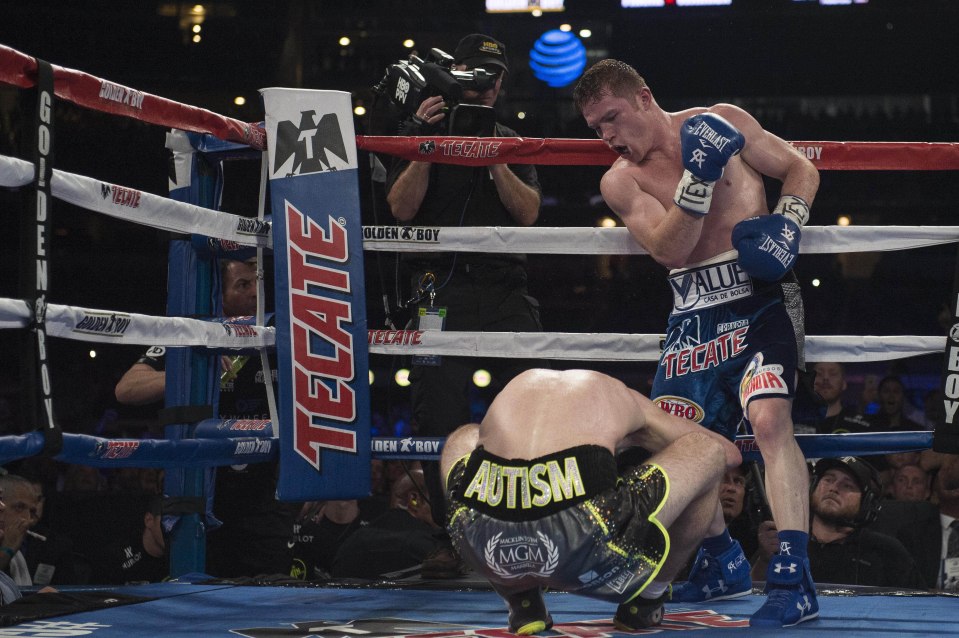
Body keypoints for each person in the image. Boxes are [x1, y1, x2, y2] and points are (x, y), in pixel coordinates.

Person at [573, 60, 820, 627]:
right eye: (596, 128)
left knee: (768, 420)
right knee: (674, 445)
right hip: (694, 315)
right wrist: (698, 180)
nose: (608, 136)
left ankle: (793, 576)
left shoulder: (723, 121)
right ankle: (721, 560)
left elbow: (800, 170)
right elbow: (669, 250)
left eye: (611, 118)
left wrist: (788, 224)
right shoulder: (619, 181)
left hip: (761, 300)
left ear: (643, 98)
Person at [385, 33, 546, 578]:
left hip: (503, 289)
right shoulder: (417, 133)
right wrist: (427, 147)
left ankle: (526, 531)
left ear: (498, 87)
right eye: (472, 75)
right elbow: (400, 211)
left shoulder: (512, 139)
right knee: (437, 413)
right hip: (437, 293)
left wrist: (496, 158)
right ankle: (451, 537)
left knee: (528, 405)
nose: (481, 87)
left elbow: (527, 216)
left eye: (490, 78)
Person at [441, 368, 741, 633]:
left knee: (463, 437)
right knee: (705, 450)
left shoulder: (519, 386)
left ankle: (522, 600)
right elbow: (728, 454)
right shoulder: (618, 394)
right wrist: (637, 436)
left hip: (485, 546)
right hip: (585, 540)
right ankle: (647, 602)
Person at [114, 258, 296, 578]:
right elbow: (126, 389)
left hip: (263, 498)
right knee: (200, 596)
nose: (255, 292)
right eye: (242, 284)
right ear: (219, 294)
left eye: (258, 282)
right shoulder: (194, 335)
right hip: (199, 496)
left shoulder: (280, 335)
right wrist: (195, 372)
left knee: (270, 598)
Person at [753, 457, 926, 589]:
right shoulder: (786, 541)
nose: (833, 488)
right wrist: (764, 560)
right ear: (813, 486)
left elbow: (921, 610)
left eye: (847, 486)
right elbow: (748, 597)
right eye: (828, 479)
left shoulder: (887, 552)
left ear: (866, 504)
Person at [88, 496, 166, 585]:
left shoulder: (181, 556)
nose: (171, 527)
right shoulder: (115, 557)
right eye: (166, 520)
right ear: (149, 520)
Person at [795, 362, 870, 434]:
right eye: (818, 374)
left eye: (833, 374)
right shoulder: (792, 421)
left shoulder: (861, 426)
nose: (825, 378)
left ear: (844, 383)